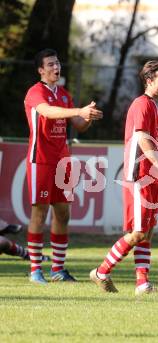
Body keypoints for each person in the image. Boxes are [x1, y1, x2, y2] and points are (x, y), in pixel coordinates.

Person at [90, 60, 158, 296]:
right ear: (149, 81)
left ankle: (142, 284)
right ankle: (101, 271)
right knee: (138, 232)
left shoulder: (153, 105)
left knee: (147, 232)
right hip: (139, 176)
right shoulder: (142, 104)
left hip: (150, 176)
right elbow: (142, 139)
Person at [24, 48, 103, 284]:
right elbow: (47, 113)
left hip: (63, 161)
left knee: (63, 212)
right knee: (40, 212)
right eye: (50, 64)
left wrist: (88, 116)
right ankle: (35, 270)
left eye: (57, 63)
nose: (55, 67)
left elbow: (78, 125)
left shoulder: (64, 94)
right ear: (40, 70)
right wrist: (78, 110)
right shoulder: (35, 93)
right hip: (41, 159)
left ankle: (58, 270)